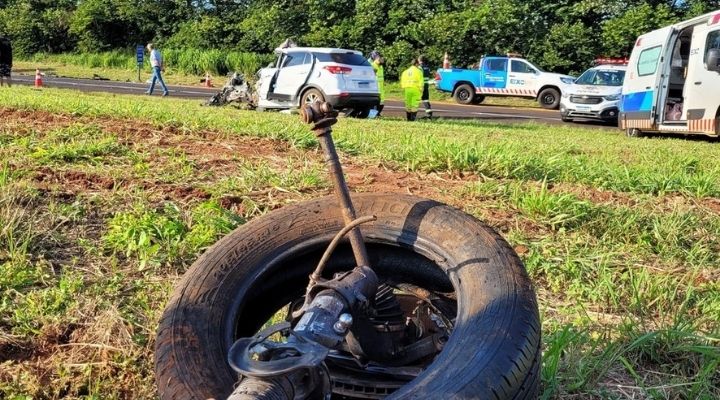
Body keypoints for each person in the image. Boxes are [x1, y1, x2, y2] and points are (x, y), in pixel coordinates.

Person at [369, 51, 385, 116]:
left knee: (381, 103)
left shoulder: (380, 66)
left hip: (381, 87)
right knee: (375, 103)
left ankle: (377, 114)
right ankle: (373, 115)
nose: (379, 59)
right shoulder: (372, 65)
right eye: (378, 57)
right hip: (375, 87)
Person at [418, 55, 433, 120]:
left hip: (421, 85)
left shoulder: (419, 68)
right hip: (426, 85)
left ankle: (412, 115)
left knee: (415, 100)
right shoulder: (427, 67)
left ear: (420, 61)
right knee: (425, 99)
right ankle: (429, 114)